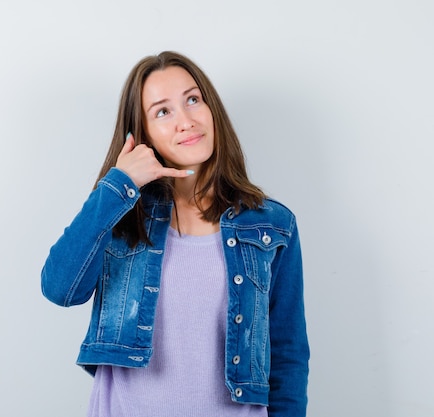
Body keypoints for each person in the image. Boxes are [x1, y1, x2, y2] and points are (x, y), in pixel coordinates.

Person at [41, 51, 309, 417]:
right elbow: (60, 288)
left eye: (193, 100)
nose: (186, 121)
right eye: (162, 111)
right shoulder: (120, 215)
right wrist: (118, 184)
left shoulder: (271, 226)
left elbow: (288, 354)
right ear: (142, 132)